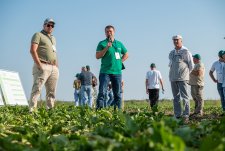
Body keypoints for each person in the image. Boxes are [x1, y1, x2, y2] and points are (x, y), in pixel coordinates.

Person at [29, 18, 59, 112]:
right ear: (44, 25)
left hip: (53, 67)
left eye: (52, 25)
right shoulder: (38, 35)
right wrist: (39, 65)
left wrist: (56, 66)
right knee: (37, 88)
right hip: (42, 65)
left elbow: (54, 52)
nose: (50, 27)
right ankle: (32, 110)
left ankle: (50, 111)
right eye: (48, 25)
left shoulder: (53, 38)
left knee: (51, 91)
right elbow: (32, 50)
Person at [96, 25, 129, 110]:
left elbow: (126, 54)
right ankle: (99, 111)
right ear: (105, 33)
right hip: (105, 72)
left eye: (110, 31)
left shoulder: (119, 44)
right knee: (102, 93)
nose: (109, 33)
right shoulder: (102, 43)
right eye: (107, 32)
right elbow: (97, 56)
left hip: (117, 72)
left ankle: (117, 112)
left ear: (114, 32)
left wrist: (120, 62)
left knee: (117, 94)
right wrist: (107, 47)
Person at [169, 35, 194, 121]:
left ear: (181, 41)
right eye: (174, 40)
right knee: (175, 97)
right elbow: (170, 65)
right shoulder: (171, 53)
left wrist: (186, 75)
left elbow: (191, 65)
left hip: (183, 78)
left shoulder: (186, 51)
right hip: (173, 78)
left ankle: (186, 114)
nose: (175, 42)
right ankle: (177, 115)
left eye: (177, 40)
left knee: (185, 97)